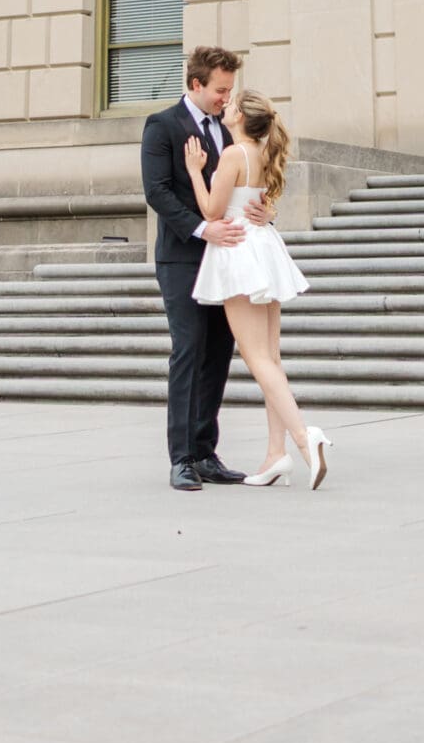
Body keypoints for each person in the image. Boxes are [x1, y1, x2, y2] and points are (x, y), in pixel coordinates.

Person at [140, 44, 272, 493]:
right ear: (195, 84)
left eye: (229, 89)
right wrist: (202, 230)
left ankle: (205, 452)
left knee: (218, 352)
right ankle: (181, 459)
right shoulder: (162, 126)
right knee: (189, 348)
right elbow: (157, 193)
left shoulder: (229, 132)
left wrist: (263, 212)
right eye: (219, 89)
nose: (225, 98)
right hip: (184, 257)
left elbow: (245, 186)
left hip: (228, 259)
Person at [187, 89, 331, 490]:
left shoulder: (234, 155)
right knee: (272, 358)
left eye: (232, 106)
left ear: (241, 119)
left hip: (238, 251)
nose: (226, 107)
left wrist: (196, 171)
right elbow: (261, 205)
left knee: (257, 359)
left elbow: (212, 212)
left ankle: (305, 438)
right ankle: (274, 454)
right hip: (262, 246)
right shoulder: (264, 155)